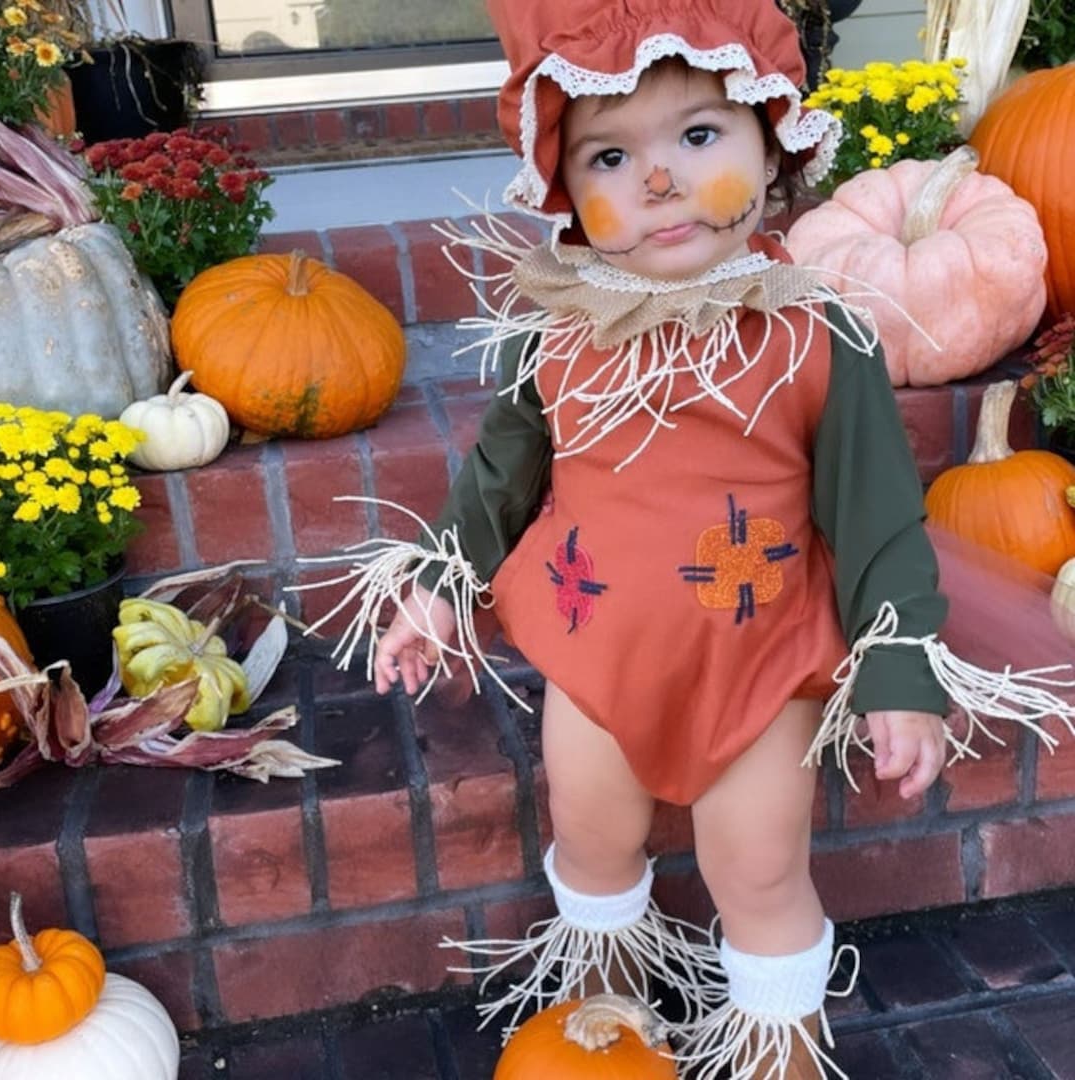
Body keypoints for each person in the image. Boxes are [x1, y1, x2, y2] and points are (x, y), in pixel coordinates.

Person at [305, 2, 1075, 1076]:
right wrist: (438, 586)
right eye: (612, 155)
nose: (657, 181)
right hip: (596, 652)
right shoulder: (563, 331)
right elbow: (500, 478)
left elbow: (876, 514)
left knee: (756, 868)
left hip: (756, 660)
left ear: (774, 144)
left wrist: (899, 669)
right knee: (591, 836)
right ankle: (603, 1022)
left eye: (698, 136)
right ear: (566, 189)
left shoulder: (816, 332)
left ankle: (777, 1051)